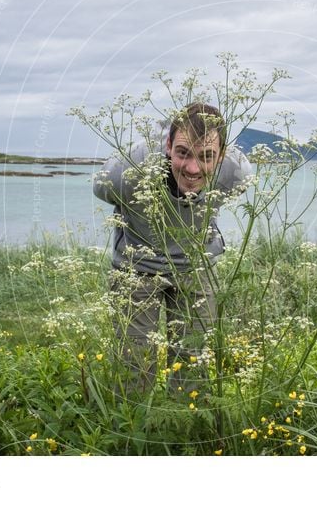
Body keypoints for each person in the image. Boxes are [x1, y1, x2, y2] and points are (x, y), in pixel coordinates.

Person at [92, 102, 251, 394]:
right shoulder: (129, 169)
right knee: (134, 368)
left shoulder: (236, 173)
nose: (192, 168)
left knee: (194, 367)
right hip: (136, 267)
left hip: (196, 264)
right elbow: (101, 189)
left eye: (206, 156)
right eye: (183, 153)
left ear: (222, 155)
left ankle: (185, 430)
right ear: (168, 145)